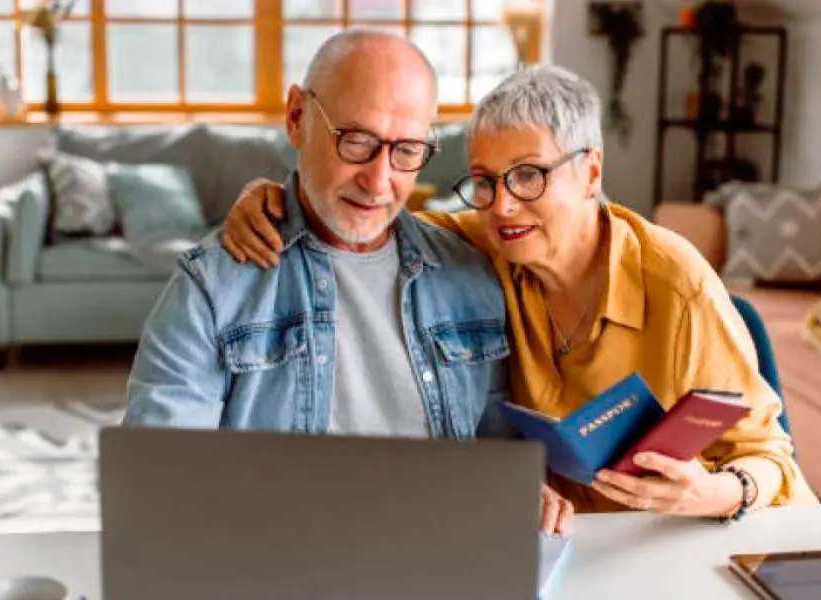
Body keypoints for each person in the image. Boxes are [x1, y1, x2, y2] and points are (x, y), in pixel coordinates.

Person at [219, 64, 820, 522]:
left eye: (529, 175)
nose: (503, 205)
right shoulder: (490, 246)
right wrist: (272, 195)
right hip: (576, 548)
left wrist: (711, 492)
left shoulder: (676, 284)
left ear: (590, 172)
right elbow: (365, 219)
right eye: (483, 182)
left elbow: (772, 459)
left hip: (703, 545)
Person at [123, 29, 527, 510]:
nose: (379, 182)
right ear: (296, 117)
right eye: (356, 141)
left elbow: (499, 464)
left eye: (406, 151)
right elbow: (160, 488)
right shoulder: (211, 290)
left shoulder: (472, 277)